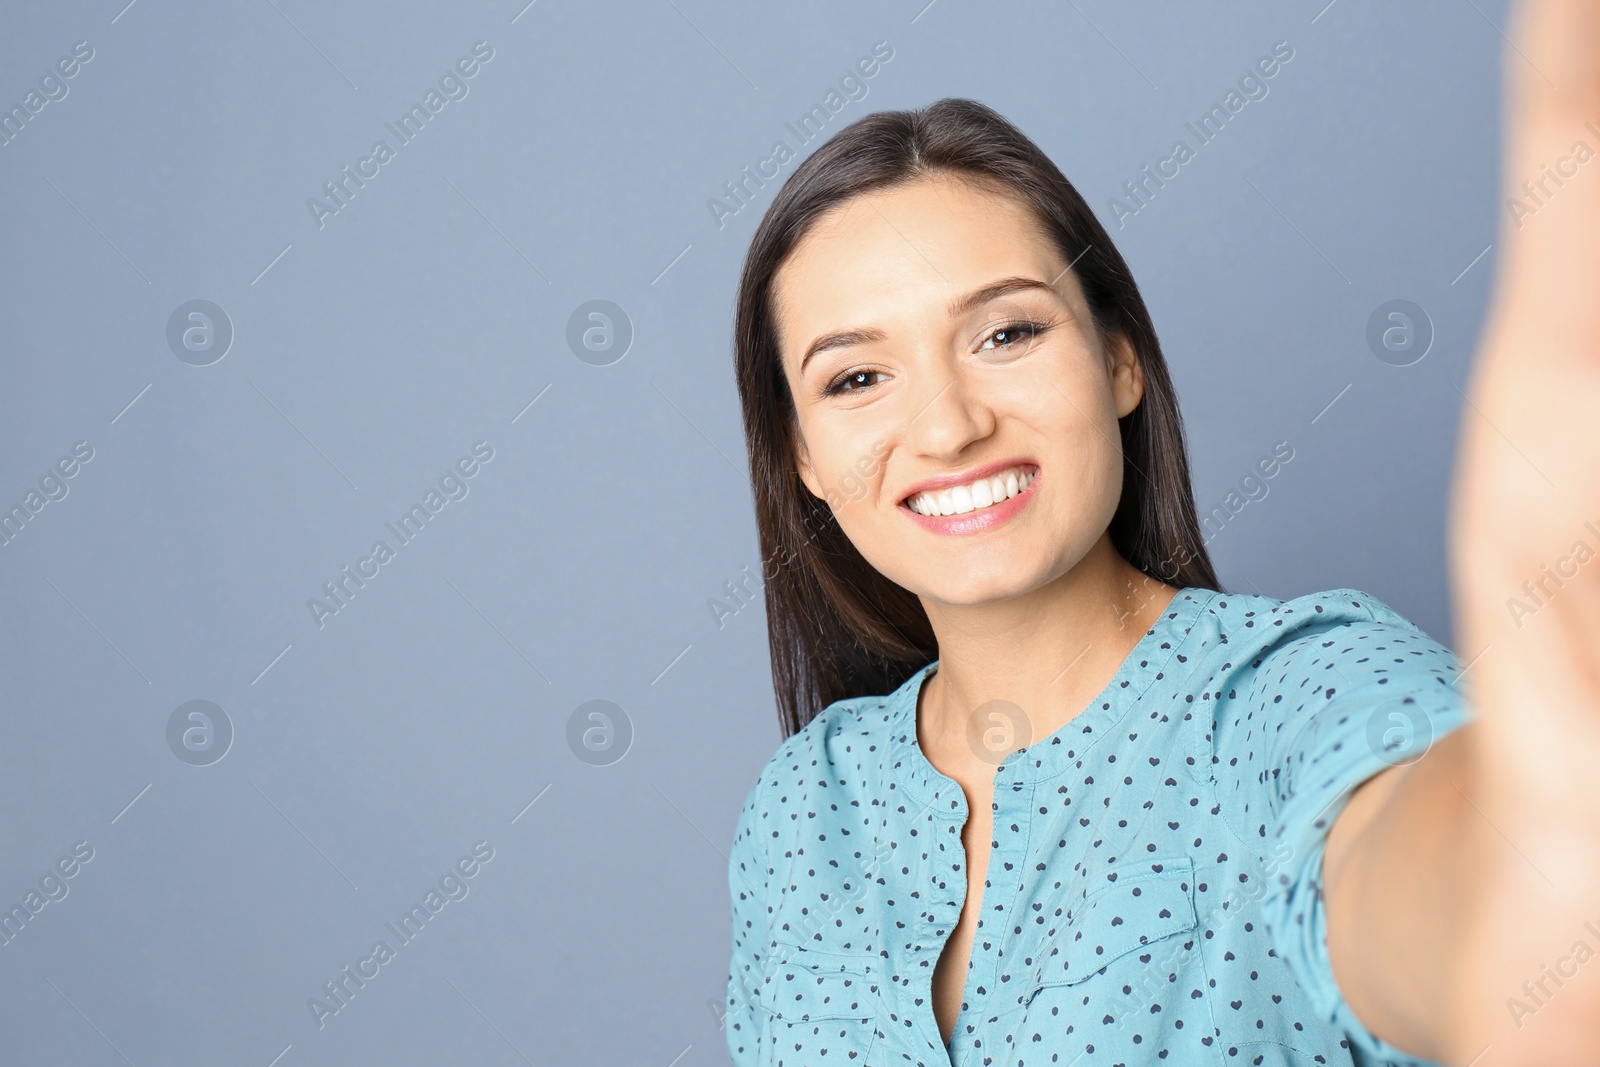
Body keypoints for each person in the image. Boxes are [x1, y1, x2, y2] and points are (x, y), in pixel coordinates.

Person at [723, 2, 1600, 1064]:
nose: (949, 425)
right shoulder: (804, 808)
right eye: (856, 376)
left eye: (1006, 331)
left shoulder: (1289, 698)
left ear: (1119, 362)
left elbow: (1422, 879)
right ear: (803, 456)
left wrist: (1531, 870)